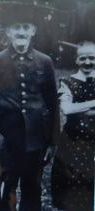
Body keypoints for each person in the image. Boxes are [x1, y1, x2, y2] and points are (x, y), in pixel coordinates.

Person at [0, 22, 58, 211]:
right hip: (5, 139)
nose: (21, 32)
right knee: (4, 187)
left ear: (33, 31)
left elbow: (52, 103)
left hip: (36, 139)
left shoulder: (45, 61)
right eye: (16, 27)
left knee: (32, 188)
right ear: (8, 31)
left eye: (26, 27)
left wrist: (52, 141)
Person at [51, 41, 95, 211]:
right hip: (74, 143)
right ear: (77, 60)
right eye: (83, 58)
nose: (88, 62)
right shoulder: (68, 82)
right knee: (73, 190)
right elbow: (67, 109)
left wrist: (82, 108)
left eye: (92, 58)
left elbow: (75, 108)